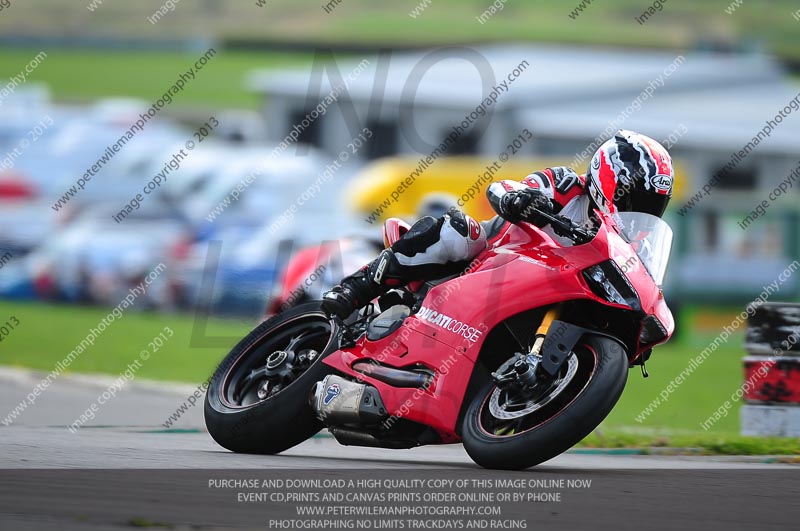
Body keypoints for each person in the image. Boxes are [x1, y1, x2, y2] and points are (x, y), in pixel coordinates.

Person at [321, 130, 674, 319]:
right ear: (611, 177)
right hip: (490, 260)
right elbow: (504, 186)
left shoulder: (631, 242)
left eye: (651, 204)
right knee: (459, 231)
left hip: (540, 293)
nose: (640, 209)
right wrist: (518, 198)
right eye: (635, 197)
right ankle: (356, 288)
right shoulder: (568, 186)